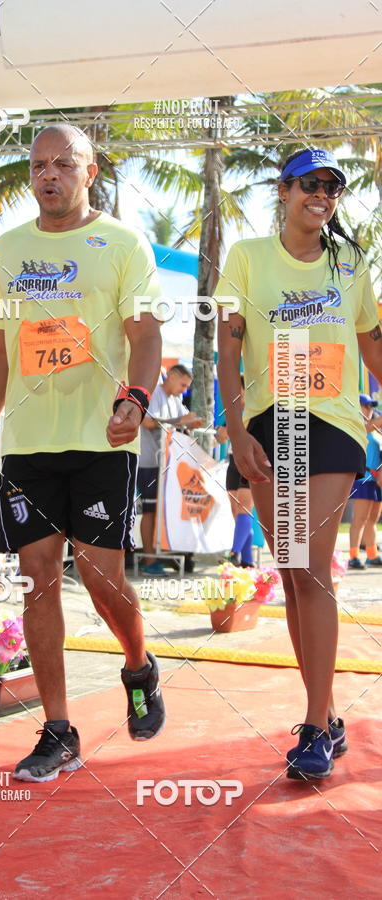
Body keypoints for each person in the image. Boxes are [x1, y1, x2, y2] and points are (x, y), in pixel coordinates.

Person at [0, 123, 166, 782]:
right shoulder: (7, 249)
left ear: (89, 171)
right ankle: (58, 730)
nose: (48, 176)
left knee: (105, 582)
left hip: (99, 438)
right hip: (29, 445)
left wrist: (134, 396)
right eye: (38, 166)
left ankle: (138, 664)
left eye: (63, 165)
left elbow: (143, 332)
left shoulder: (123, 243)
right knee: (38, 581)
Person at [216, 147, 382, 781]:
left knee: (312, 568)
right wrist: (236, 433)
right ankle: (329, 711)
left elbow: (371, 345)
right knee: (291, 573)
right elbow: (228, 354)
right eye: (310, 184)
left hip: (335, 425)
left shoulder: (354, 264)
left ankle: (314, 727)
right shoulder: (248, 257)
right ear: (282, 192)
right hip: (267, 426)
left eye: (332, 187)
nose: (322, 195)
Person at [138, 364, 204, 574]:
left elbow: (182, 421)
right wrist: (181, 421)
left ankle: (158, 554)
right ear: (172, 376)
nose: (184, 390)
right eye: (183, 385)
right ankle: (148, 560)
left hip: (164, 464)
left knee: (160, 510)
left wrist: (191, 424)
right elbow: (147, 422)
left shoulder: (175, 399)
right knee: (149, 511)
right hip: (148, 462)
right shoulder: (154, 392)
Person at [215, 376, 255, 567]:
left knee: (244, 508)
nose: (236, 395)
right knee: (236, 511)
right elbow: (222, 436)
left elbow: (244, 432)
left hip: (252, 460)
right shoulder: (233, 410)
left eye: (239, 390)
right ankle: (247, 561)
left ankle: (234, 553)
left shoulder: (256, 409)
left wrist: (228, 432)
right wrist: (221, 432)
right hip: (233, 461)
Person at [348, 394, 382, 569]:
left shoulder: (375, 429)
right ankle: (353, 556)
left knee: (372, 519)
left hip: (376, 479)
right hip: (362, 479)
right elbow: (367, 427)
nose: (369, 409)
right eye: (366, 405)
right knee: (359, 519)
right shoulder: (355, 424)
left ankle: (372, 554)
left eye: (370, 406)